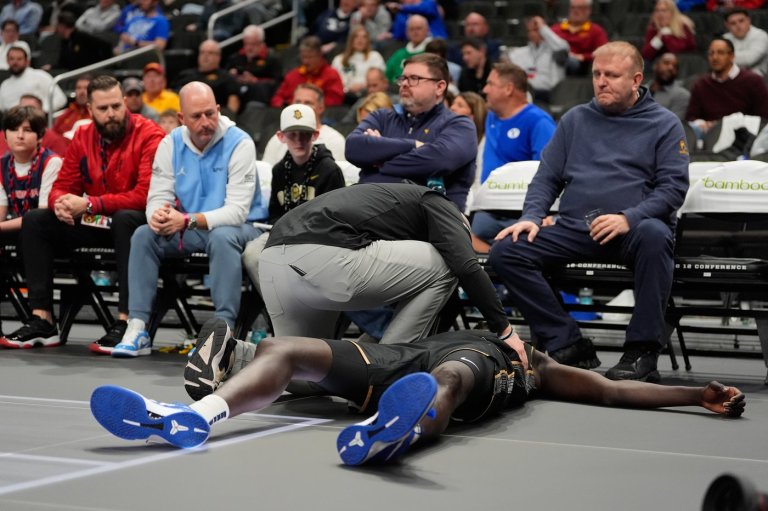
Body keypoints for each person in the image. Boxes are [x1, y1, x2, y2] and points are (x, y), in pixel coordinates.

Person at [90, 318, 745, 455]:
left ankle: (392, 437)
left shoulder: (533, 364)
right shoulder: (465, 324)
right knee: (283, 348)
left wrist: (695, 394)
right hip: (394, 358)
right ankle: (200, 414)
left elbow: (613, 391)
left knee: (449, 379)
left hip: (463, 371)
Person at [488, 42, 689, 382]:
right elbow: (546, 178)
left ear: (636, 80)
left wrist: (629, 218)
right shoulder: (575, 119)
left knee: (656, 235)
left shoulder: (664, 123)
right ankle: (567, 343)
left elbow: (673, 189)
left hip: (632, 232)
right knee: (507, 250)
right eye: (597, 74)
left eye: (612, 75)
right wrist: (531, 217)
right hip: (574, 228)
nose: (601, 82)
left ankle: (642, 351)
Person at [1, 75, 165, 351]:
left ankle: (127, 322)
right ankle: (43, 320)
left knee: (126, 218)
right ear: (90, 109)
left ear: (125, 102)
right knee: (36, 220)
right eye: (103, 108)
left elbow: (145, 195)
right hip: (96, 223)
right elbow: (61, 187)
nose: (111, 114)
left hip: (136, 224)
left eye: (116, 106)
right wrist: (61, 203)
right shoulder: (82, 135)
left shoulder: (150, 134)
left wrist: (90, 204)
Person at [255, 182, 514, 348]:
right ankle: (387, 365)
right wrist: (504, 330)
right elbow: (466, 266)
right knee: (447, 263)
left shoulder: (387, 202)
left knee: (301, 366)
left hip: (270, 261)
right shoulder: (440, 203)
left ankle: (239, 353)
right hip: (323, 258)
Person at [113, 81, 263, 357]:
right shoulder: (170, 143)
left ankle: (223, 333)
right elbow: (157, 197)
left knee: (222, 236)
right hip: (192, 227)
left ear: (219, 109)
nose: (206, 122)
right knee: (144, 234)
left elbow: (237, 211)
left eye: (210, 113)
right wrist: (158, 215)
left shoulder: (240, 142)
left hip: (241, 229)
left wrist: (185, 220)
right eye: (197, 116)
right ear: (182, 118)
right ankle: (137, 327)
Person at [347, 53, 477, 212]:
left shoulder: (460, 126)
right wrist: (413, 145)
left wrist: (381, 161)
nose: (404, 84)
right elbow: (353, 147)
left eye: (414, 78)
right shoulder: (382, 117)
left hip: (428, 216)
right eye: (403, 78)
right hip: (367, 208)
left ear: (439, 87)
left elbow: (438, 161)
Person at [241, 104, 345, 291]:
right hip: (284, 236)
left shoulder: (329, 169)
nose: (299, 141)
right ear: (281, 137)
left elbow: (336, 219)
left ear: (315, 135)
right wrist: (282, 230)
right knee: (252, 254)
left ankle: (297, 302)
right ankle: (277, 302)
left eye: (305, 134)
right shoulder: (279, 170)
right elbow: (274, 213)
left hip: (319, 240)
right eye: (292, 135)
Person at [470, 63, 556, 246]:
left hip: (521, 215)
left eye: (490, 84)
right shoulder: (491, 116)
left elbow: (549, 172)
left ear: (508, 89)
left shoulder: (539, 122)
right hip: (486, 210)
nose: (484, 90)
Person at [686, 38, 768, 137]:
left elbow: (763, 117)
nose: (715, 57)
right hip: (709, 136)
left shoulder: (753, 81)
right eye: (711, 53)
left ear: (732, 56)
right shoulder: (701, 84)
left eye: (720, 53)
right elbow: (691, 117)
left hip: (743, 136)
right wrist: (702, 124)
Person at [262, 83, 347, 164]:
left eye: (308, 103)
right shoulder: (278, 139)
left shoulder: (334, 140)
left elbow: (337, 173)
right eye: (297, 102)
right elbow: (267, 172)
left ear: (321, 108)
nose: (301, 106)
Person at [507, 15, 570, 103]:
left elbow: (564, 48)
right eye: (529, 31)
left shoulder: (555, 50)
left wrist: (543, 28)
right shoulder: (518, 53)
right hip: (526, 95)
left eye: (536, 30)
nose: (532, 34)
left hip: (550, 95)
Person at [270, 36, 344, 108]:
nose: (306, 61)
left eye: (310, 57)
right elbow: (277, 98)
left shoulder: (331, 75)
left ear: (320, 55)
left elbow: (335, 101)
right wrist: (287, 106)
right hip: (293, 113)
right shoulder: (292, 75)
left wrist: (309, 105)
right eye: (303, 57)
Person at [174, 39, 240, 117]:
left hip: (213, 117)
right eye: (202, 52)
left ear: (218, 57)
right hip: (182, 115)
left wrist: (226, 119)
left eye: (210, 53)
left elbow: (233, 106)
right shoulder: (185, 74)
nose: (205, 56)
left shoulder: (226, 77)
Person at [0, 43, 67, 113]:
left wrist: (40, 112)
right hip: (11, 118)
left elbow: (61, 99)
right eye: (11, 59)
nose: (15, 62)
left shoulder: (40, 76)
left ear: (27, 62)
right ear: (7, 61)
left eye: (19, 59)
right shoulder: (5, 85)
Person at [225, 25, 282, 107]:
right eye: (246, 44)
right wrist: (231, 76)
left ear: (262, 43)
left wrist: (255, 80)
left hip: (259, 95)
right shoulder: (235, 57)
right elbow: (224, 75)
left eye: (253, 44)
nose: (249, 48)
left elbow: (277, 83)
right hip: (237, 92)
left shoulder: (272, 59)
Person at [39, 11, 112, 72]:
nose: (56, 28)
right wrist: (52, 67)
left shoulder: (83, 37)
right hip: (73, 73)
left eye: (58, 25)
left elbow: (106, 46)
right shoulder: (64, 41)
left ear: (62, 26)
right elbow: (64, 62)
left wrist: (103, 67)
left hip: (88, 71)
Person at [551, 0, 609, 76]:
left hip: (581, 67)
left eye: (580, 8)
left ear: (588, 10)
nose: (575, 11)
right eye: (573, 7)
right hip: (555, 61)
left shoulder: (596, 31)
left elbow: (603, 53)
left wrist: (583, 57)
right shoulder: (556, 29)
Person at [331, 26, 386, 101]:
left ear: (368, 40)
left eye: (364, 37)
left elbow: (381, 80)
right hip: (344, 97)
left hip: (369, 96)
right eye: (356, 36)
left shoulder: (375, 56)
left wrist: (363, 85)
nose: (360, 40)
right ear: (351, 40)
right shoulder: (338, 60)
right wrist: (347, 89)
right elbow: (334, 82)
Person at [384, 14, 430, 82]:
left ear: (427, 30)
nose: (415, 32)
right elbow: (385, 76)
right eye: (411, 29)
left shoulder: (432, 52)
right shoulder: (399, 54)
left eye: (419, 28)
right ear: (407, 32)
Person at [723, 8, 768, 78]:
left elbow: (749, 60)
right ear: (727, 25)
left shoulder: (761, 35)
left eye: (741, 21)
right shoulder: (724, 38)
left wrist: (725, 57)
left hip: (758, 78)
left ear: (749, 20)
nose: (738, 26)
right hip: (729, 78)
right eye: (733, 23)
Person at [647, 52, 690, 120]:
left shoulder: (682, 95)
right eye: (666, 63)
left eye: (675, 66)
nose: (670, 68)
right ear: (655, 66)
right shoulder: (639, 90)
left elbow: (673, 123)